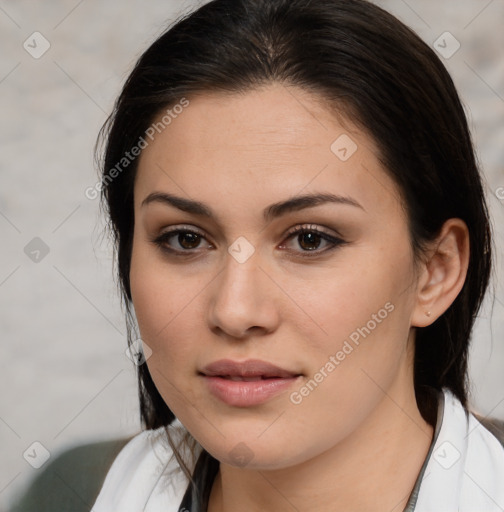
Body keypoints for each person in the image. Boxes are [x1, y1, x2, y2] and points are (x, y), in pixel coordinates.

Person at [89, 0, 504, 510]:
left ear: (436, 272)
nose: (235, 311)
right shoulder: (93, 484)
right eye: (185, 239)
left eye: (310, 239)